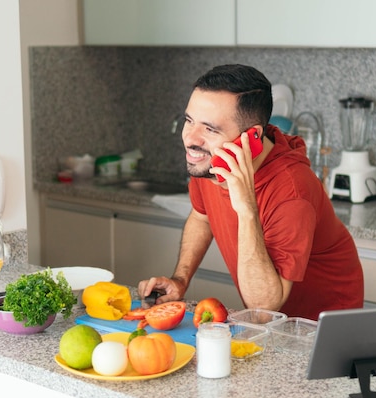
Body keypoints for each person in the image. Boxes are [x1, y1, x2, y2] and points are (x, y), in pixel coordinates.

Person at [138, 64, 363, 320]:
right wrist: (180, 279)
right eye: (189, 121)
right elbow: (202, 217)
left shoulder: (292, 190)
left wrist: (246, 207)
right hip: (272, 321)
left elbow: (265, 307)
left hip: (321, 325)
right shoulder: (210, 162)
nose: (191, 139)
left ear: (251, 137)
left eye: (210, 129)